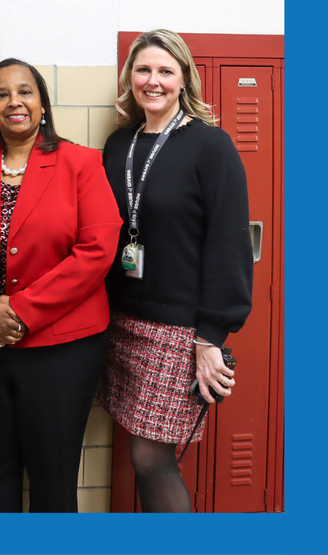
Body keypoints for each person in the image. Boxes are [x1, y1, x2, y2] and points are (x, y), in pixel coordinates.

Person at [0, 58, 122, 512]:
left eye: (26, 91)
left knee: (53, 476)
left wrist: (20, 312)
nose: (14, 101)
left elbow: (98, 249)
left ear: (43, 104)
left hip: (63, 347)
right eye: (1, 94)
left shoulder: (81, 162)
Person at [97, 29, 253, 512]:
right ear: (129, 79)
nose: (153, 81)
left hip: (178, 331)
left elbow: (229, 244)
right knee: (138, 451)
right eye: (143, 70)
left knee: (150, 459)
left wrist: (209, 336)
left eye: (165, 71)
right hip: (122, 321)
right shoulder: (118, 145)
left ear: (184, 79)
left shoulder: (211, 145)